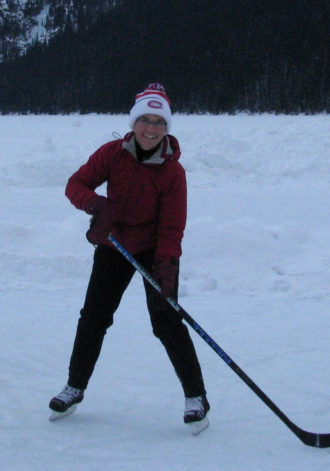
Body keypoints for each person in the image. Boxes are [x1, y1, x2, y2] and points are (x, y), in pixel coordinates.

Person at [48, 84, 210, 434]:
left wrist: (166, 266)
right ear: (134, 122)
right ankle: (75, 387)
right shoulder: (113, 153)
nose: (151, 129)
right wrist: (96, 206)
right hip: (115, 244)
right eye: (145, 121)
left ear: (167, 128)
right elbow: (76, 184)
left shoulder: (172, 173)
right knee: (93, 317)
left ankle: (196, 396)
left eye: (159, 122)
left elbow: (171, 228)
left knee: (166, 322)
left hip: (156, 251)